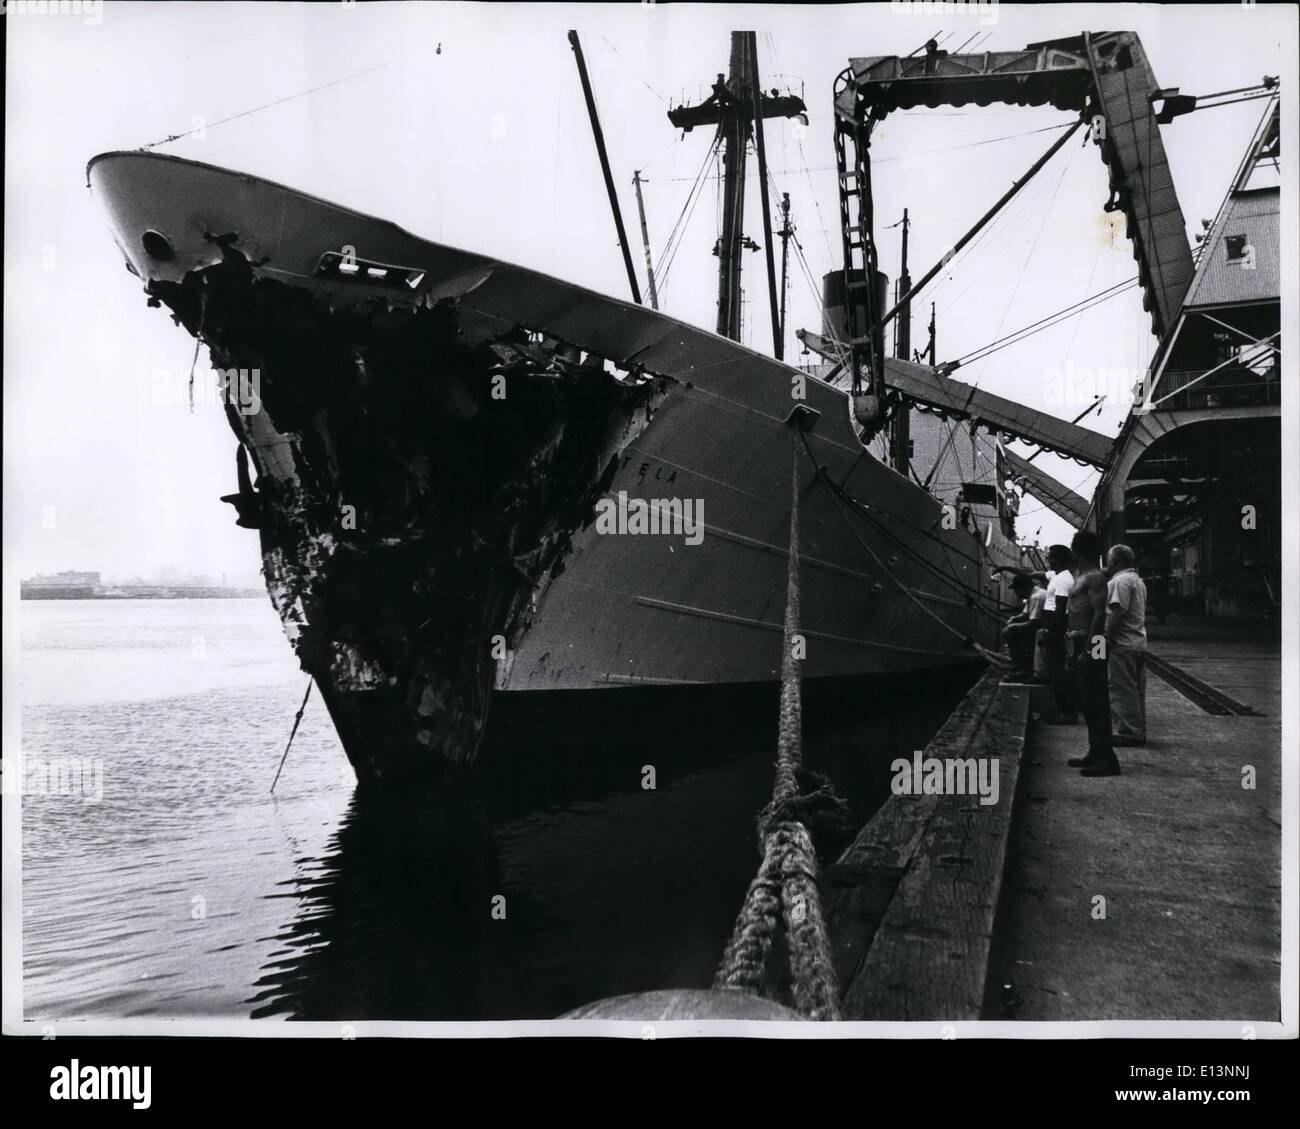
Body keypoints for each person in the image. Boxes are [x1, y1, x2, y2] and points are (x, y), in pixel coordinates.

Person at [1065, 530, 1120, 776]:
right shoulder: (1082, 575)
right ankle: (1095, 752)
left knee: (1097, 700)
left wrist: (1089, 649)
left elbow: (1099, 615)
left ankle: (1107, 760)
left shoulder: (1095, 577)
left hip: (1094, 643)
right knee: (1087, 700)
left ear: (1078, 551)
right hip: (1082, 641)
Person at [1106, 544, 1148, 747]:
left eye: (1108, 560)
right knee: (1135, 689)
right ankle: (1138, 730)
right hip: (1138, 642)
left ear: (1114, 562)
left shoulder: (1120, 581)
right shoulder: (1137, 581)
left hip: (1122, 643)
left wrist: (1106, 638)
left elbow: (1117, 612)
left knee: (1121, 688)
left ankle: (1129, 732)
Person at [1039, 546, 1076, 723]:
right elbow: (1034, 574)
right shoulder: (1057, 576)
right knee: (1055, 671)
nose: (1048, 561)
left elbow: (1061, 608)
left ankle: (1067, 713)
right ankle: (1062, 710)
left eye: (1050, 558)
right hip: (1054, 627)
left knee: (1058, 671)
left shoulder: (1063, 580)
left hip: (1055, 629)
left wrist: (1048, 630)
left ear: (1058, 559)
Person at [1003, 573, 1046, 678]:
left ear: (1024, 587)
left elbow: (1033, 624)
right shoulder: (1031, 595)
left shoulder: (1037, 597)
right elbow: (1025, 613)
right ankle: (1018, 664)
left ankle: (1023, 668)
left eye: (1016, 589)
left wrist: (1012, 626)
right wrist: (1014, 618)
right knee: (1012, 630)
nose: (1015, 592)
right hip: (1040, 625)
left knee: (1011, 632)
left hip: (1045, 628)